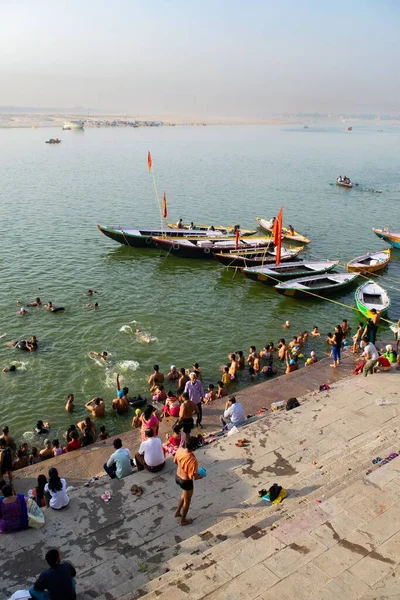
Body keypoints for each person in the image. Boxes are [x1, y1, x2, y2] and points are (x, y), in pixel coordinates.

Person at [174, 436, 204, 526]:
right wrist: (201, 476)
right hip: (186, 481)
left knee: (184, 495)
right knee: (187, 501)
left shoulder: (179, 450)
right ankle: (183, 520)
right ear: (194, 447)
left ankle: (177, 512)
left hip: (177, 477)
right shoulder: (193, 460)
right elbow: (195, 477)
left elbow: (175, 461)